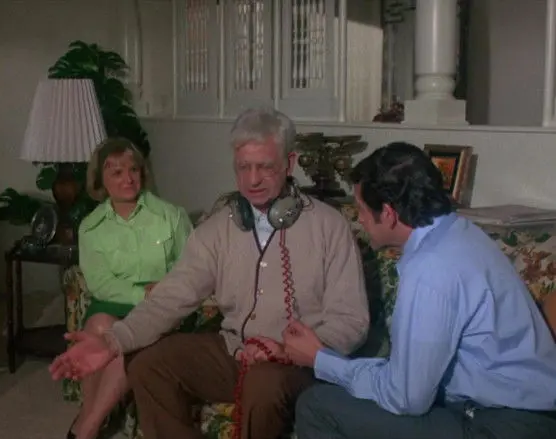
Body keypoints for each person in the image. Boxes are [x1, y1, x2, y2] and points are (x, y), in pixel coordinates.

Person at [50, 107, 370, 439]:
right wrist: (111, 342)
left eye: (264, 167)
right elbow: (171, 297)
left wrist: (289, 350)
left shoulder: (329, 226)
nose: (252, 180)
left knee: (263, 381)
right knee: (147, 365)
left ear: (289, 164)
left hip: (297, 364)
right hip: (235, 351)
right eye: (243, 167)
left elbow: (352, 320)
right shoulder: (218, 229)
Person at [285, 142, 556, 439]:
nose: (359, 219)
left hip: (502, 425)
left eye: (361, 209)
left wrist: (321, 360)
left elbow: (406, 398)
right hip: (515, 412)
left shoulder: (431, 268)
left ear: (388, 213)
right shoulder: (459, 230)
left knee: (317, 406)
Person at [68, 138, 194, 439]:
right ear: (100, 180)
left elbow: (193, 269)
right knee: (99, 326)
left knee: (130, 336)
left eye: (133, 170)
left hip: (162, 307)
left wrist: (160, 292)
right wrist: (141, 293)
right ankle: (90, 413)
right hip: (115, 302)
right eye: (117, 172)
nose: (128, 179)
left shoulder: (171, 216)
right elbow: (100, 283)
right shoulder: (91, 227)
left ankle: (87, 427)